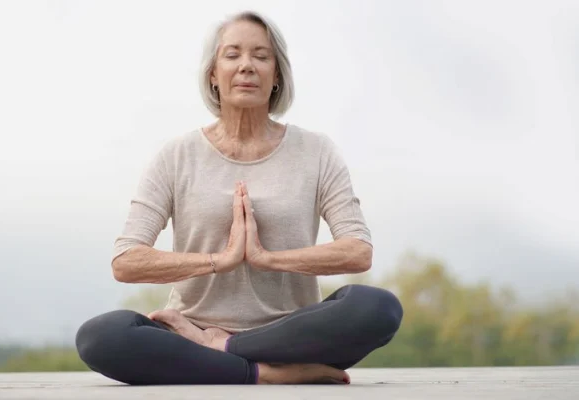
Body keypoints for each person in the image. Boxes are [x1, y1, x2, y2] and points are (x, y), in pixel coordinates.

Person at [75, 10, 403, 385]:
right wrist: (220, 260)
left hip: (294, 337)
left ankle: (229, 353)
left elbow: (358, 250)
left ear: (276, 74)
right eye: (232, 55)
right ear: (213, 73)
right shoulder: (176, 155)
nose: (246, 66)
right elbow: (126, 261)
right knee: (99, 336)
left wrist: (267, 259)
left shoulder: (316, 151)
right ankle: (263, 373)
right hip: (190, 334)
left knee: (378, 307)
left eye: (261, 56)